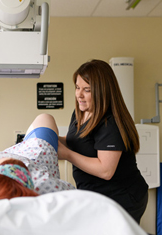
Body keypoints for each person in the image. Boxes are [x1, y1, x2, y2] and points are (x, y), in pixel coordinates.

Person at [58, 59, 148, 224]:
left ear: (101, 91)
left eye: (87, 90)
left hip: (122, 197)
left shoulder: (110, 122)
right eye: (77, 87)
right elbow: (77, 142)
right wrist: (52, 140)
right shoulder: (81, 112)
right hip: (96, 195)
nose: (79, 95)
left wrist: (67, 155)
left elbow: (106, 170)